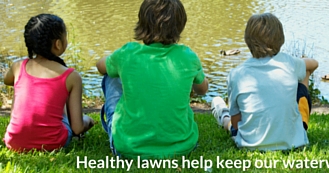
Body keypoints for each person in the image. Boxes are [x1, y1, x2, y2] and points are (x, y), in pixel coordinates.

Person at [96, 0, 208, 159]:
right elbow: (202, 90)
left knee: (110, 75)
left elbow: (100, 66)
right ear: (180, 25)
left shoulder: (127, 53)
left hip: (128, 147)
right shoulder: (188, 56)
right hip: (183, 146)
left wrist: (116, 60)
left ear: (142, 22)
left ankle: (124, 125)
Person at [211, 13, 318, 151]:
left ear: (247, 41)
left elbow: (237, 124)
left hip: (249, 144)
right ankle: (298, 123)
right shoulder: (289, 63)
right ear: (281, 39)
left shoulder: (237, 74)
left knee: (230, 122)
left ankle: (222, 114)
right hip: (294, 142)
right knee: (304, 72)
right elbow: (314, 64)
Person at [3, 14, 94, 152]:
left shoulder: (18, 67)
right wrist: (88, 120)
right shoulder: (71, 76)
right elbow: (77, 128)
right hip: (53, 143)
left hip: (14, 142)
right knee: (64, 101)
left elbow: (7, 80)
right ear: (58, 44)